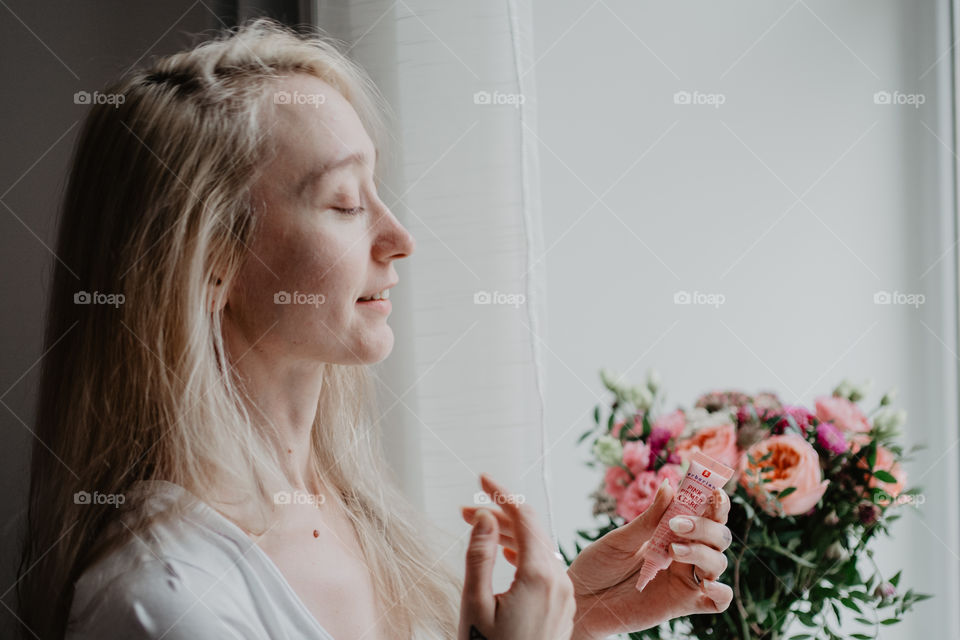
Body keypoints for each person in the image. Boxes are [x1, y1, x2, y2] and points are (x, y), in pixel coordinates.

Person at [16, 18, 732, 640]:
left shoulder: (347, 508)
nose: (399, 237)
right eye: (342, 202)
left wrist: (575, 616)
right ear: (211, 264)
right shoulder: (160, 602)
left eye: (377, 193)